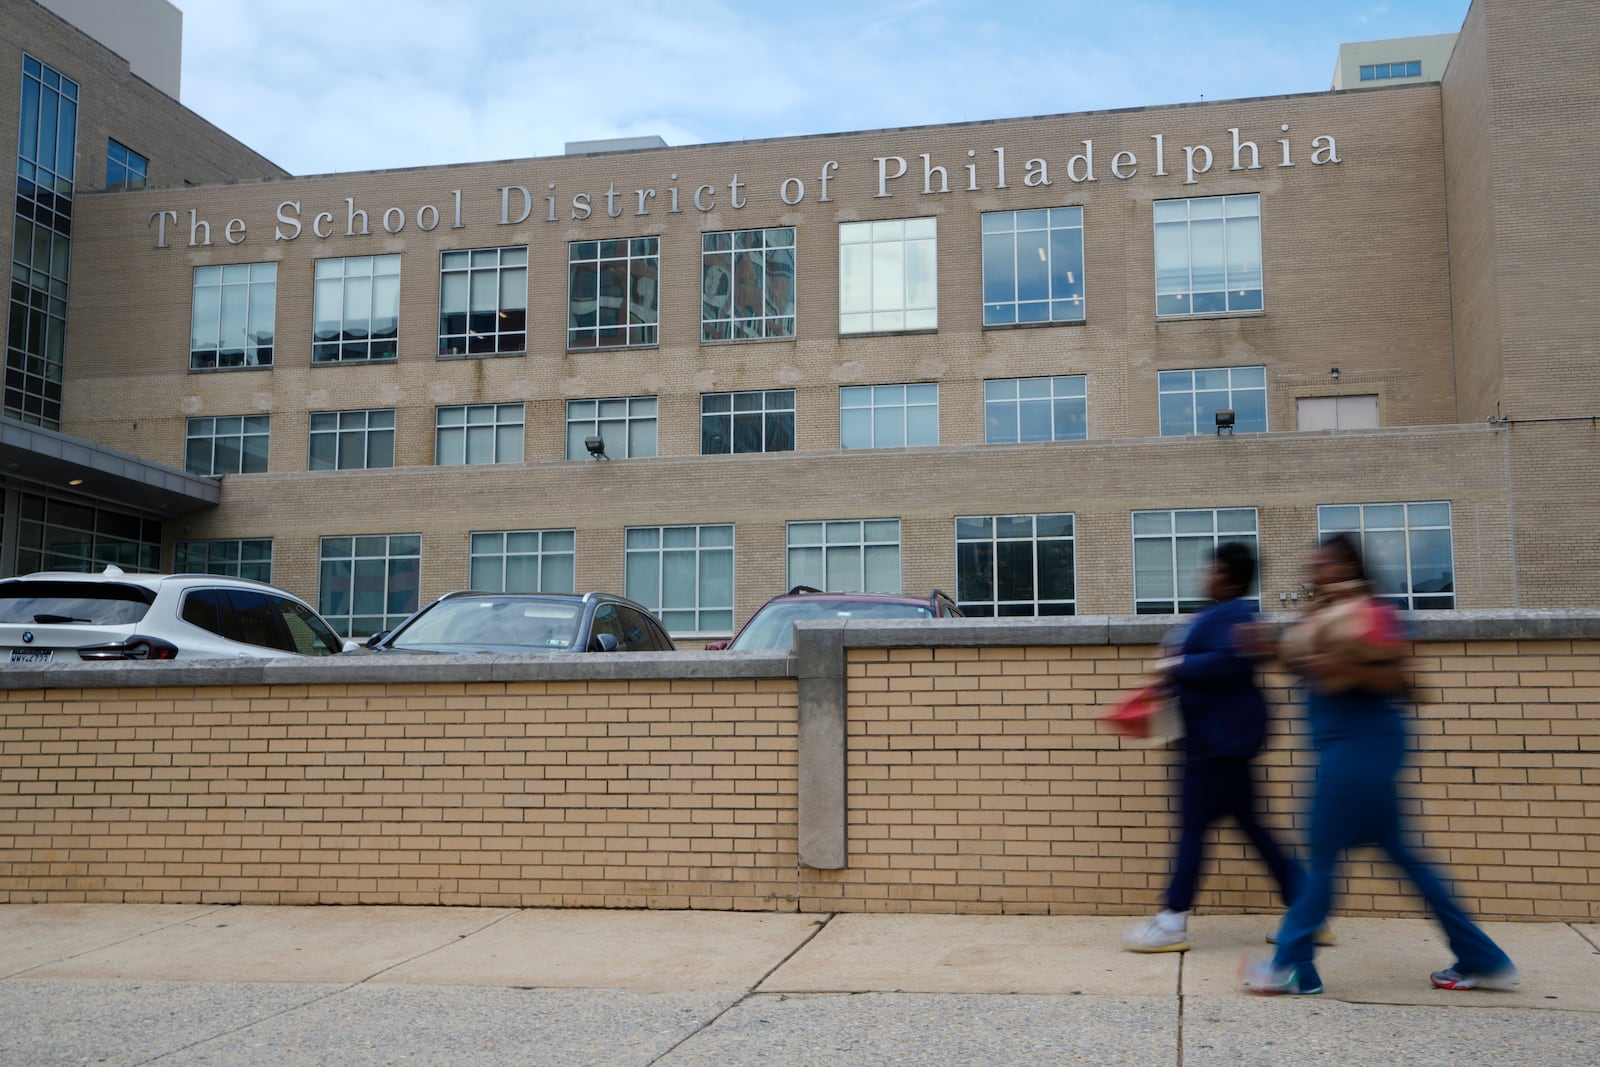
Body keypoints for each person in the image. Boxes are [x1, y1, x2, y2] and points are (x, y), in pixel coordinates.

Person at [1242, 532, 1517, 995]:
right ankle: (1482, 958)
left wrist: (1343, 669)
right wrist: (1273, 650)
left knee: (1322, 856)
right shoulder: (1325, 614)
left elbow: (1400, 677)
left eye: (1320, 566)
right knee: (1407, 859)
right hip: (1349, 749)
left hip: (1359, 750)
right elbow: (1309, 665)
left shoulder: (1371, 613)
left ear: (1347, 566)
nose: (1311, 574)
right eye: (1310, 567)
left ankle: (1292, 966)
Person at [1123, 541, 1306, 953]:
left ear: (1228, 576)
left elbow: (1232, 661)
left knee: (1192, 829)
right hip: (1217, 743)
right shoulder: (1221, 614)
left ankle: (1171, 922)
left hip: (1215, 745)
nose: (1205, 576)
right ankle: (1308, 911)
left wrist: (1176, 666)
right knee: (1254, 829)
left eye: (1212, 569)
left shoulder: (1238, 615)